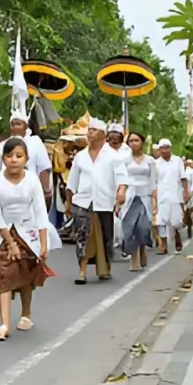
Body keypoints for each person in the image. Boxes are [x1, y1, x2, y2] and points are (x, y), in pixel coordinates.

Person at [0, 138, 58, 341]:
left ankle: (26, 314)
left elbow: (40, 211)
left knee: (27, 273)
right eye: (9, 156)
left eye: (19, 156)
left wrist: (44, 244)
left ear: (26, 158)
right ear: (3, 159)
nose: (14, 161)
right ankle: (4, 324)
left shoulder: (32, 179)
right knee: (5, 274)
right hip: (3, 234)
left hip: (28, 232)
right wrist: (10, 243)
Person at [65, 118, 128, 284]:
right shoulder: (80, 156)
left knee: (106, 237)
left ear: (102, 134)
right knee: (82, 236)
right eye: (89, 130)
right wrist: (68, 201)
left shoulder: (113, 156)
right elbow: (72, 181)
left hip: (104, 202)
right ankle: (82, 271)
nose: (90, 133)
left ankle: (104, 267)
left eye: (93, 130)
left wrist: (121, 192)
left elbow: (122, 178)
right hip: (83, 201)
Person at [0, 109, 53, 204]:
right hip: (6, 193)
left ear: (26, 126)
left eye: (18, 124)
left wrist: (45, 191)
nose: (14, 128)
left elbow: (44, 168)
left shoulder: (35, 143)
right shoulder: (3, 145)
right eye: (12, 125)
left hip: (30, 193)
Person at [120, 132, 157, 272]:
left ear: (142, 142)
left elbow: (153, 181)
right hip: (130, 197)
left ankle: (142, 250)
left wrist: (155, 202)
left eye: (136, 140)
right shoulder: (124, 160)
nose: (134, 143)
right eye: (131, 141)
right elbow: (120, 180)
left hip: (145, 197)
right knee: (130, 229)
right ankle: (133, 259)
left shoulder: (150, 161)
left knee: (142, 228)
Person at [153, 139, 188, 255]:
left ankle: (177, 235)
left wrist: (186, 191)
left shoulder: (177, 161)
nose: (164, 150)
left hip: (175, 194)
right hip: (161, 195)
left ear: (170, 148)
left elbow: (183, 177)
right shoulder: (156, 163)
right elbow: (153, 181)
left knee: (176, 221)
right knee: (160, 221)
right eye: (162, 148)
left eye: (167, 147)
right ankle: (163, 245)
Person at [106, 123, 126, 259]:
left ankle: (126, 245)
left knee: (125, 219)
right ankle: (109, 250)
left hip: (125, 190)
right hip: (107, 189)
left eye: (116, 136)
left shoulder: (127, 152)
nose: (113, 140)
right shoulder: (104, 151)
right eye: (110, 136)